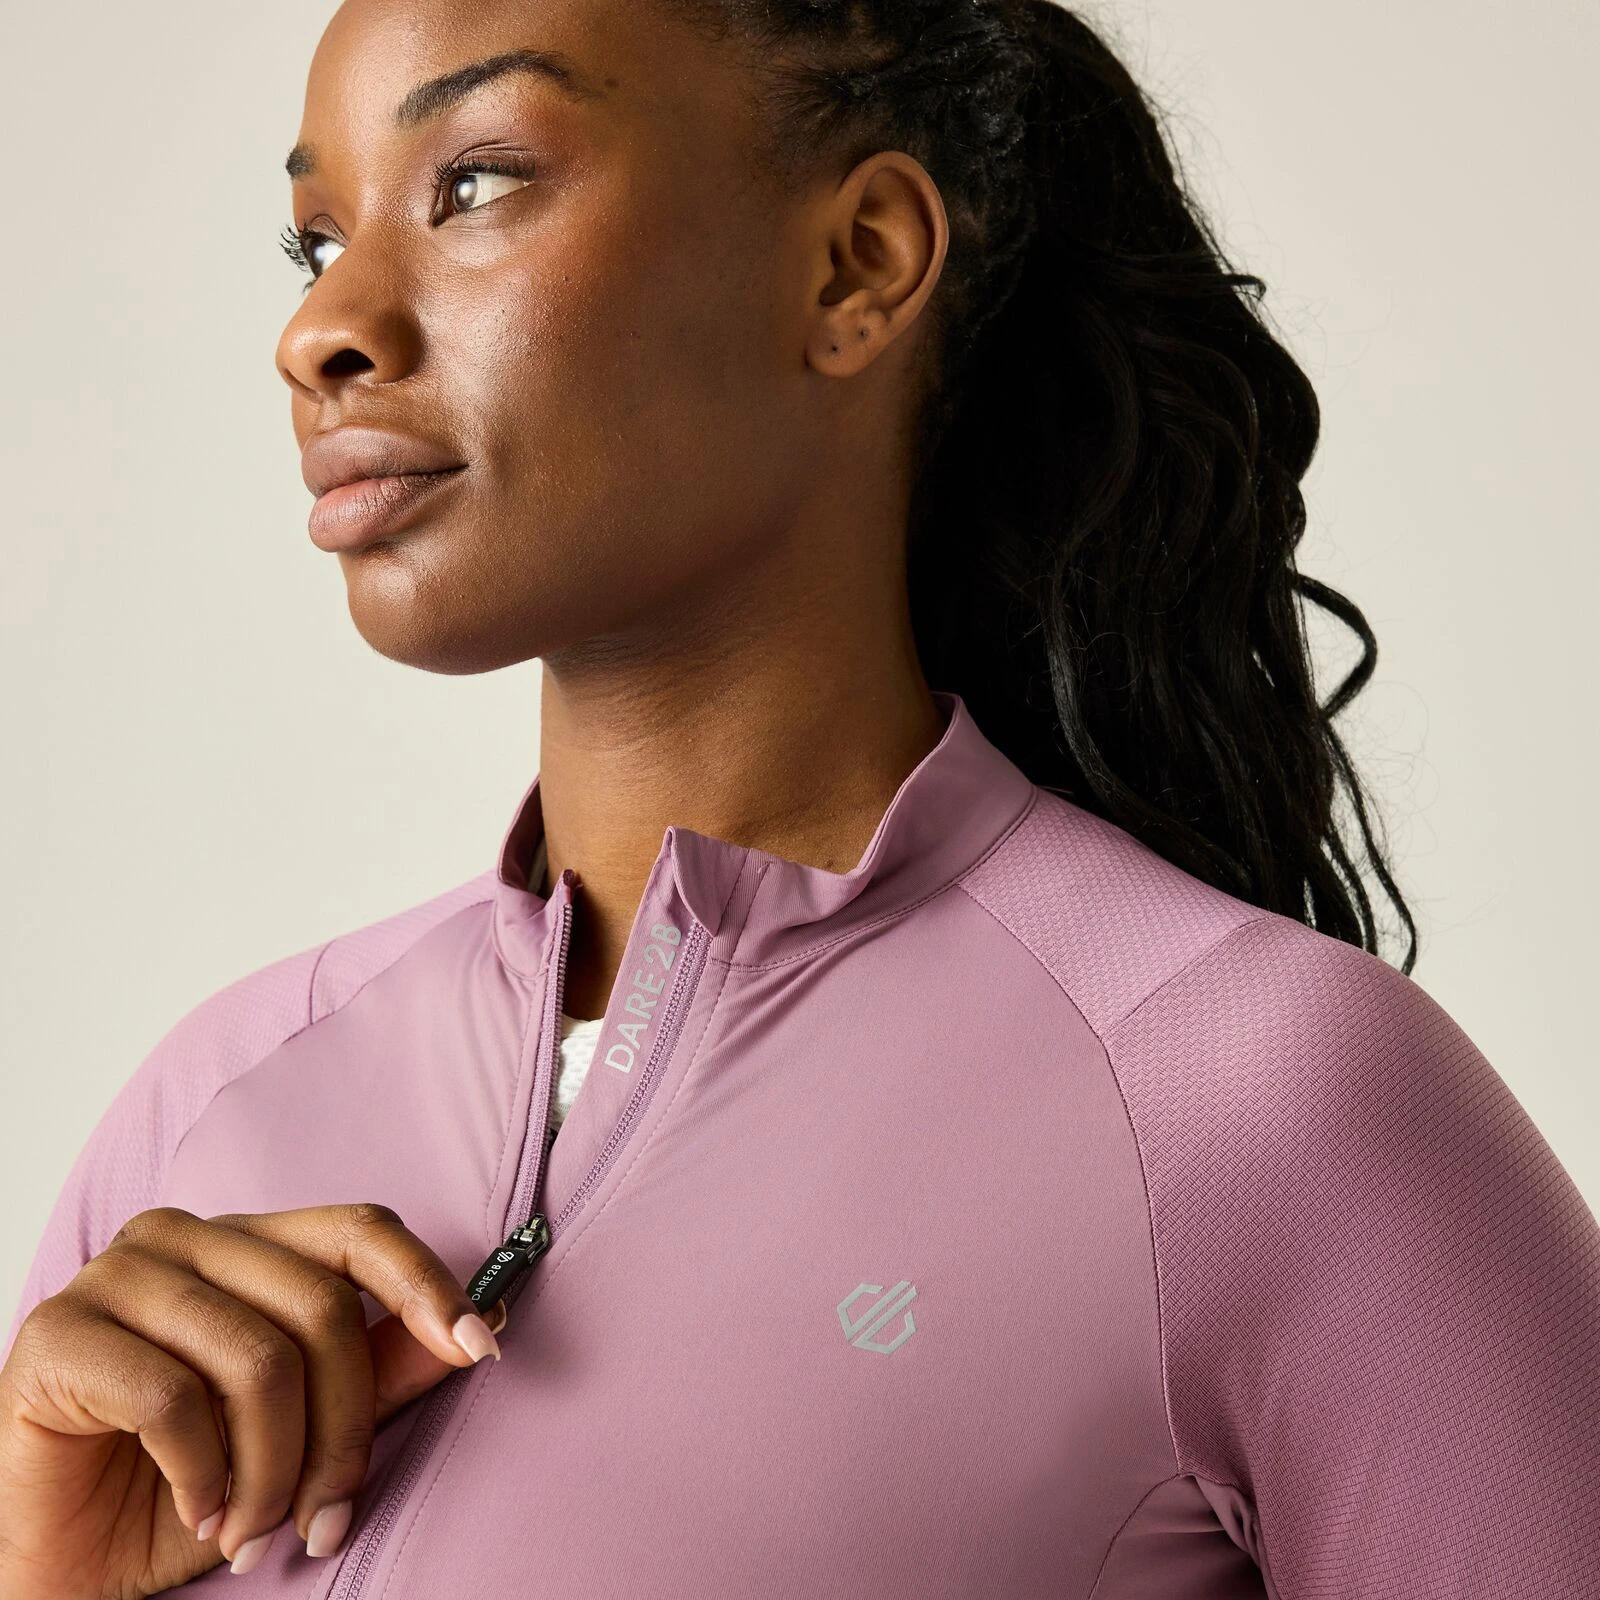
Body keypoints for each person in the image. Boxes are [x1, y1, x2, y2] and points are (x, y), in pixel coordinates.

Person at [2, 0, 1595, 1593]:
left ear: (856, 265)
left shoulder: (1247, 1094)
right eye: (317, 241)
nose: (323, 329)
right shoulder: (213, 1105)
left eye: (474, 181)